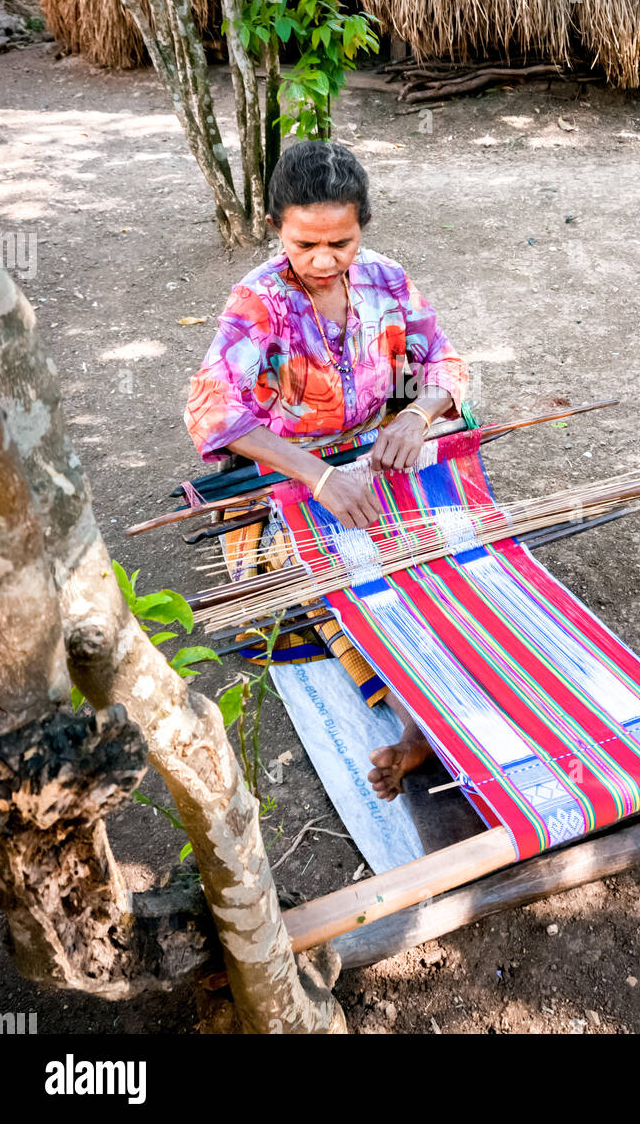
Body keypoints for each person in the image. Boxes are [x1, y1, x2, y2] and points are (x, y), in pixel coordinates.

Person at [185, 140, 468, 799]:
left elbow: (442, 365)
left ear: (361, 225)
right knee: (334, 582)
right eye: (303, 243)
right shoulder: (258, 303)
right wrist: (316, 476)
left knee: (443, 562)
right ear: (276, 226)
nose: (321, 260)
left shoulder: (386, 280)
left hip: (378, 458)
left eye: (339, 243)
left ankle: (460, 677)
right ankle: (413, 722)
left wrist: (415, 416)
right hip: (286, 480)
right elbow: (211, 409)